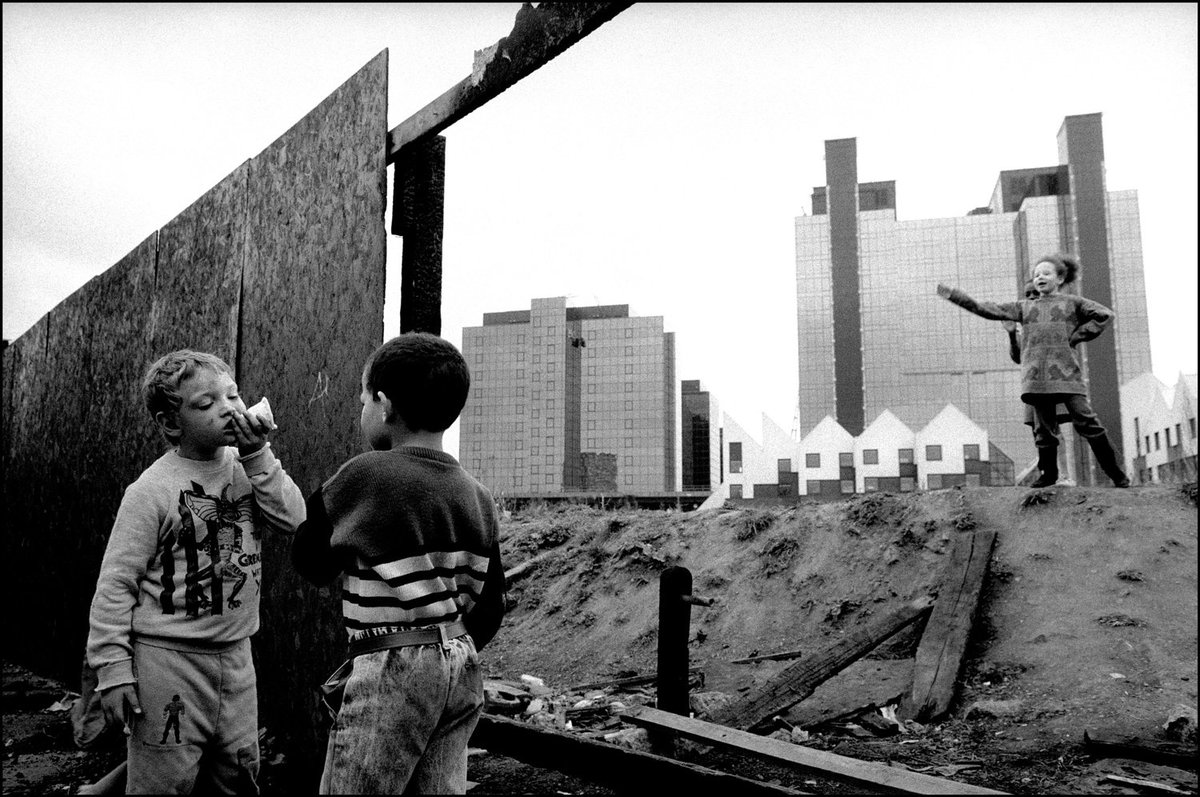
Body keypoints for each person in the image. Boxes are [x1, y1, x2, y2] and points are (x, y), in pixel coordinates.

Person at [292, 332, 506, 795]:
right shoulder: (478, 496)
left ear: (384, 405)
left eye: (363, 398)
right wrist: (445, 650)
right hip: (460, 664)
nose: (362, 409)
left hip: (394, 663)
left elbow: (310, 561)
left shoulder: (365, 476)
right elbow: (490, 609)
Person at [86, 349, 305, 794]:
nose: (228, 408)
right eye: (206, 404)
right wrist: (112, 669)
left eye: (233, 395)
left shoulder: (248, 469)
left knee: (239, 772)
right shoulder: (151, 490)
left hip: (237, 656)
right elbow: (115, 585)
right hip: (167, 660)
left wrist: (259, 454)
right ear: (171, 423)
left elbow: (295, 521)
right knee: (162, 779)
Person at [937, 253, 1130, 488]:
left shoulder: (1073, 303)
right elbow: (986, 309)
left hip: (1067, 376)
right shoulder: (1024, 307)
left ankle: (1117, 475)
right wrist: (955, 295)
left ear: (1060, 278)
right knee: (1044, 431)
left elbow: (1104, 315)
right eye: (1036, 274)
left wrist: (1077, 335)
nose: (1040, 277)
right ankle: (1048, 475)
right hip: (1036, 378)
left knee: (1089, 423)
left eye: (1046, 273)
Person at [1003, 280, 1073, 485]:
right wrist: (1010, 333)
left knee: (1054, 430)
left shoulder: (1053, 318)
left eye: (1035, 293)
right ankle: (1049, 475)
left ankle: (1065, 475)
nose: (1032, 297)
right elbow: (1017, 357)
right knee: (1039, 432)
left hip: (1051, 383)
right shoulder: (1024, 326)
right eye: (1028, 294)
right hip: (1033, 386)